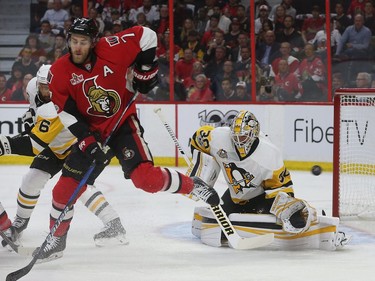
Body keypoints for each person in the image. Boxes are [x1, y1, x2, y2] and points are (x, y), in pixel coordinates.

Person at [39, 18, 219, 261]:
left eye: (83, 42)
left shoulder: (111, 47)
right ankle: (56, 239)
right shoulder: (58, 72)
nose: (78, 47)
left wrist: (145, 71)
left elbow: (147, 35)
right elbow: (67, 113)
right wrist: (88, 143)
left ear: (93, 42)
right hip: (92, 132)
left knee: (147, 180)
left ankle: (193, 185)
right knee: (62, 192)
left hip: (122, 123)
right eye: (74, 41)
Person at [0, 65, 128, 249]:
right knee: (31, 179)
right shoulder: (32, 87)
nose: (47, 90)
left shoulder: (61, 101)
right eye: (43, 86)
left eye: (51, 85)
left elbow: (35, 145)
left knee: (79, 187)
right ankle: (20, 223)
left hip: (79, 143)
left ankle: (114, 224)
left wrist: (5, 145)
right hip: (55, 145)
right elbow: (34, 108)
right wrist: (30, 115)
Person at [188, 110, 350, 250]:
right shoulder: (218, 137)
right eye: (235, 137)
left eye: (243, 138)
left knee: (290, 219)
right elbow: (197, 138)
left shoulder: (269, 154)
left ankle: (315, 218)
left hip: (262, 197)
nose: (238, 142)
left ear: (253, 134)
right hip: (235, 195)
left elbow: (282, 189)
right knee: (216, 227)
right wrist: (200, 169)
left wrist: (287, 209)